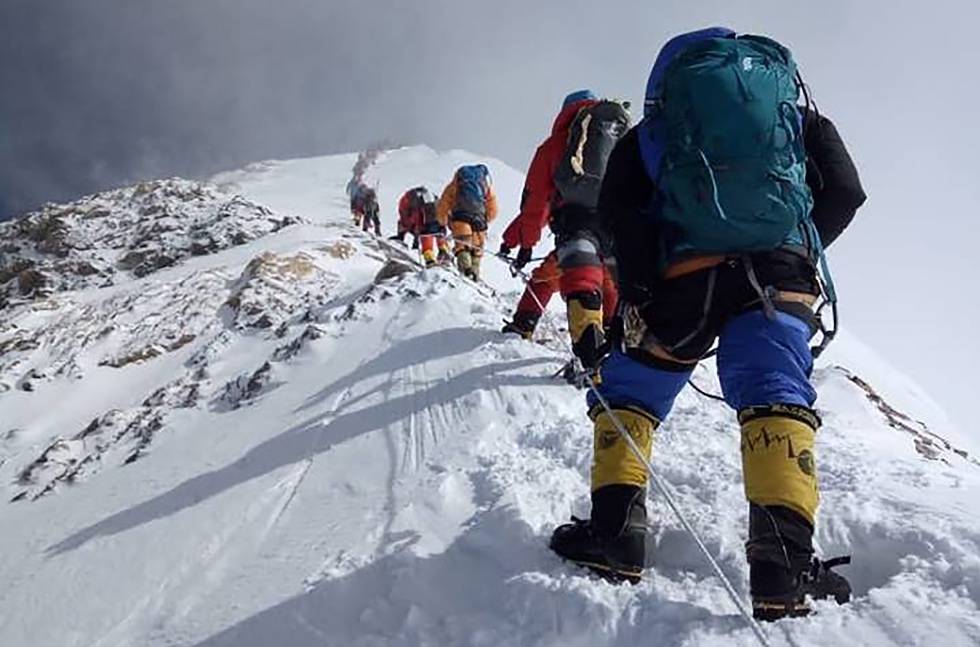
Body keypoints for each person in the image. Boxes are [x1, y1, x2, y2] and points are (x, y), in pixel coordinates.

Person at [548, 28, 867, 622]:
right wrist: (798, 248)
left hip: (682, 282)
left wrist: (643, 287)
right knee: (775, 396)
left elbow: (618, 211)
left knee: (631, 395)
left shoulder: (656, 131)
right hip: (779, 279)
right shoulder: (795, 120)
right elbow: (846, 191)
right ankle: (783, 570)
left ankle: (617, 537)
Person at [498, 90, 629, 367]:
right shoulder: (619, 139)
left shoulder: (555, 145)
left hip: (576, 224)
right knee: (610, 283)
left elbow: (536, 204)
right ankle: (614, 349)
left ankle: (531, 328)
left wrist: (524, 243)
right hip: (617, 227)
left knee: (554, 278)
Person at [436, 164, 498, 280]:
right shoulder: (486, 186)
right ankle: (474, 276)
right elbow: (493, 210)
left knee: (462, 247)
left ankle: (466, 273)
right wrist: (485, 220)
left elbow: (443, 205)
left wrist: (442, 222)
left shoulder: (454, 185)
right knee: (476, 251)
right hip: (479, 222)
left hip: (460, 219)